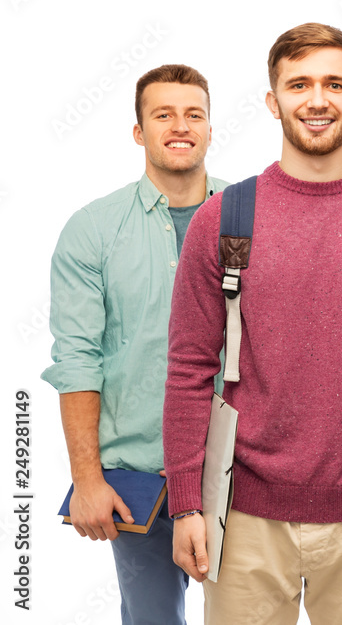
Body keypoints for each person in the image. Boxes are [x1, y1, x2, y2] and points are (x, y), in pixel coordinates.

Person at [162, 23, 342, 624]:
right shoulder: (223, 219)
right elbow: (190, 368)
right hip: (243, 520)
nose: (317, 100)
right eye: (299, 84)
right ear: (273, 101)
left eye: (334, 84)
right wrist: (188, 504)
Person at [42, 64, 225, 624]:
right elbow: (77, 360)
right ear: (139, 131)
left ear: (211, 128)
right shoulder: (93, 229)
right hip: (139, 479)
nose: (180, 126)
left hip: (237, 470)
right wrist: (87, 480)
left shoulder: (252, 218)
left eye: (194, 114)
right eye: (163, 114)